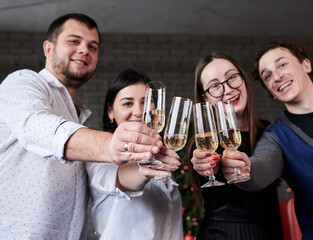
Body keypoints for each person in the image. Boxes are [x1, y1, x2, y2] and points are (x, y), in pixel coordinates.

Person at [0, 13, 173, 239]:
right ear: (48, 49)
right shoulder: (23, 82)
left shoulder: (79, 116)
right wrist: (109, 146)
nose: (85, 50)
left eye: (93, 46)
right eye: (74, 41)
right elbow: (35, 126)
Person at [221, 41, 313, 239]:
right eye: (267, 76)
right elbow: (259, 168)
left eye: (282, 64)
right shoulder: (276, 136)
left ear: (306, 65)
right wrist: (242, 168)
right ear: (271, 92)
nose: (276, 77)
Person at [189, 52, 283, 240]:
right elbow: (208, 162)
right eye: (215, 86)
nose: (228, 89)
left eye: (232, 77)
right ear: (206, 98)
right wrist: (207, 164)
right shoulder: (204, 142)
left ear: (244, 79)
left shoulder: (270, 131)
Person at [86, 69, 183, 239]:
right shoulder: (99, 157)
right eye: (128, 103)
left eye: (146, 102)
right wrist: (143, 169)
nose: (139, 112)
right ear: (110, 111)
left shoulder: (158, 155)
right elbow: (123, 181)